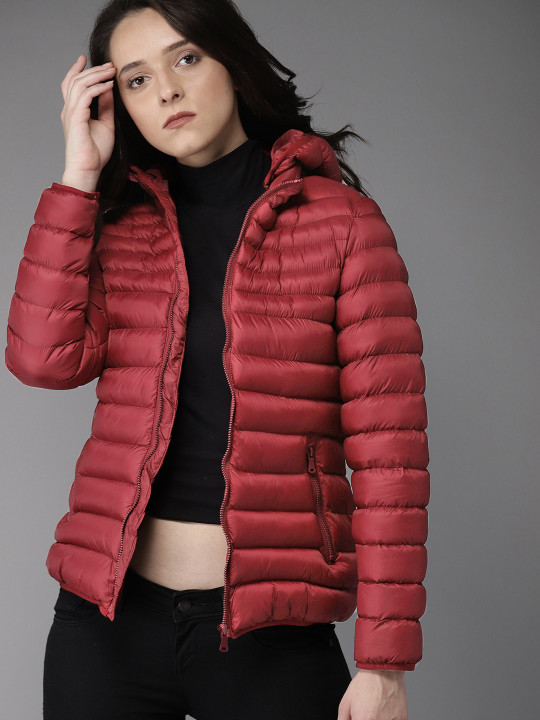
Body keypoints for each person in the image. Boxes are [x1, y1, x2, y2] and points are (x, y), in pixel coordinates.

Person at [4, 1, 430, 718]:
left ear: (231, 60)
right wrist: (78, 178)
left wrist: (384, 664)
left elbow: (392, 458)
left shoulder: (342, 223)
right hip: (105, 624)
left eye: (186, 58)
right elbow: (42, 360)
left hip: (271, 631)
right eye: (137, 79)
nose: (166, 90)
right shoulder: (118, 226)